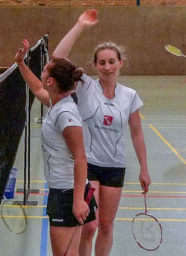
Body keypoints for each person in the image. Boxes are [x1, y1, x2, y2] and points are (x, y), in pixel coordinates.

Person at [52, 9, 151, 256]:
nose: (107, 67)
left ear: (120, 63)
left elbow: (137, 133)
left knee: (106, 225)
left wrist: (144, 168)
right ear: (95, 65)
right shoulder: (85, 86)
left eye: (111, 62)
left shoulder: (130, 96)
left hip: (115, 167)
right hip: (90, 165)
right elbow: (58, 58)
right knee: (90, 224)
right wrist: (80, 25)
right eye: (102, 62)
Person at [15, 39, 97, 256]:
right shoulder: (58, 103)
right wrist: (20, 64)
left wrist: (78, 200)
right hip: (68, 190)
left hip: (68, 193)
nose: (41, 73)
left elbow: (80, 158)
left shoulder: (65, 114)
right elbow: (36, 88)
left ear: (50, 81)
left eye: (44, 71)